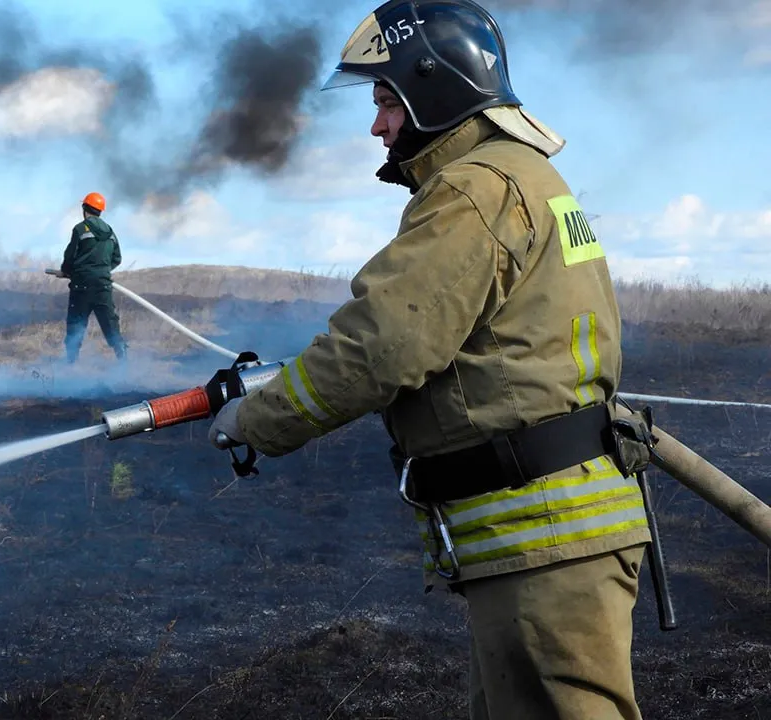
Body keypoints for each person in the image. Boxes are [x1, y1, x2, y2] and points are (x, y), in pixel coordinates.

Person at [208, 1, 652, 718]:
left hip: (542, 533)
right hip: (540, 532)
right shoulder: (523, 176)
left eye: (386, 100)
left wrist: (259, 417)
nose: (377, 124)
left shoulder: (475, 188)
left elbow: (382, 344)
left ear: (435, 88)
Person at [59, 191, 127, 363]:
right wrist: (102, 271)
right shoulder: (111, 232)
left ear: (84, 208)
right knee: (111, 326)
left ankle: (70, 365)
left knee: (76, 325)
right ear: (100, 211)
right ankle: (124, 364)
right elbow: (117, 258)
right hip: (103, 287)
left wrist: (68, 271)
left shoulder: (80, 229)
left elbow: (70, 257)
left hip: (81, 287)